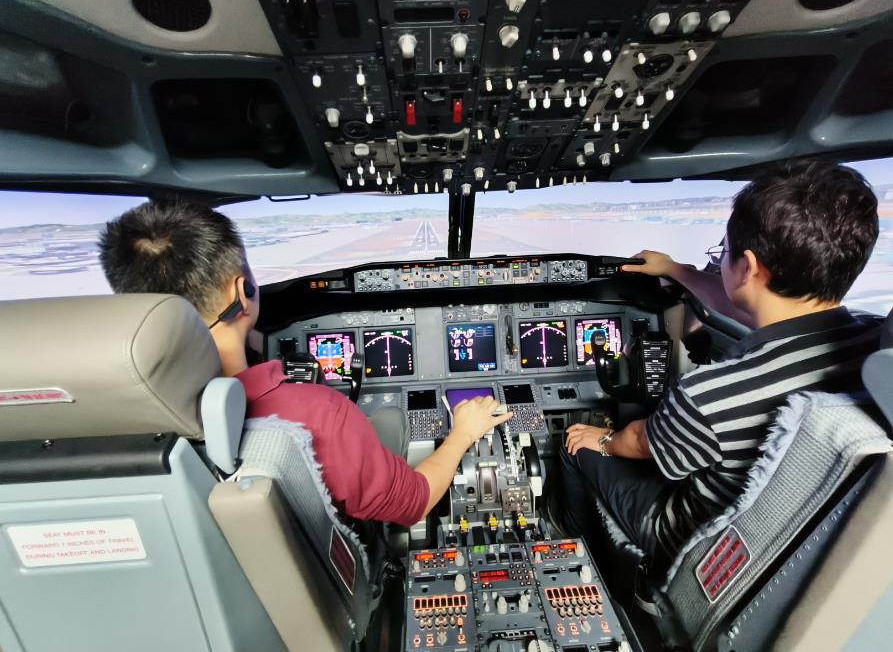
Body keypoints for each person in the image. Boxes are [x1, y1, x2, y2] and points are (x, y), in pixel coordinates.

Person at [99, 200, 512, 528]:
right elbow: (414, 503)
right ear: (242, 292)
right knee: (390, 422)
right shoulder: (317, 415)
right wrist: (462, 433)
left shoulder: (109, 421)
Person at [559, 159, 882, 572]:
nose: (721, 260)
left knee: (575, 444)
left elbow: (638, 441)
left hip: (687, 539)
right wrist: (675, 270)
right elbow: (749, 302)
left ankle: (574, 550)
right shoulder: (876, 345)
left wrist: (602, 439)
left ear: (747, 267)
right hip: (802, 532)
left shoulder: (711, 393)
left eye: (724, 253)